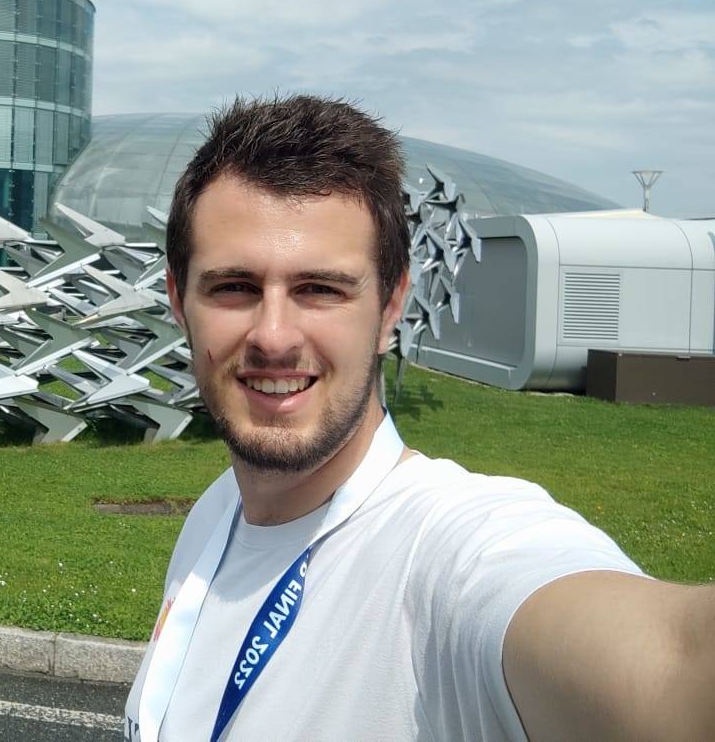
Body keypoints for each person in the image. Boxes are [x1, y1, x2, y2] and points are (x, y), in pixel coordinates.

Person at [123, 95, 714, 742]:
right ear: (179, 301)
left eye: (321, 289)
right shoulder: (217, 514)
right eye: (233, 286)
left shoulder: (450, 558)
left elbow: (671, 668)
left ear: (390, 308)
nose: (273, 335)